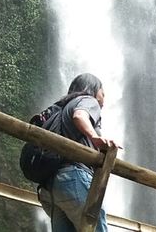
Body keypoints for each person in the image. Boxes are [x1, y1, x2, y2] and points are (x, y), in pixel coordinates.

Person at [39, 73, 121, 232]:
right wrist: (95, 137)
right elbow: (80, 115)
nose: (104, 100)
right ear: (93, 90)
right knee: (96, 227)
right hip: (73, 178)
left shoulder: (61, 108)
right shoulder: (88, 100)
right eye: (103, 93)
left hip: (51, 186)